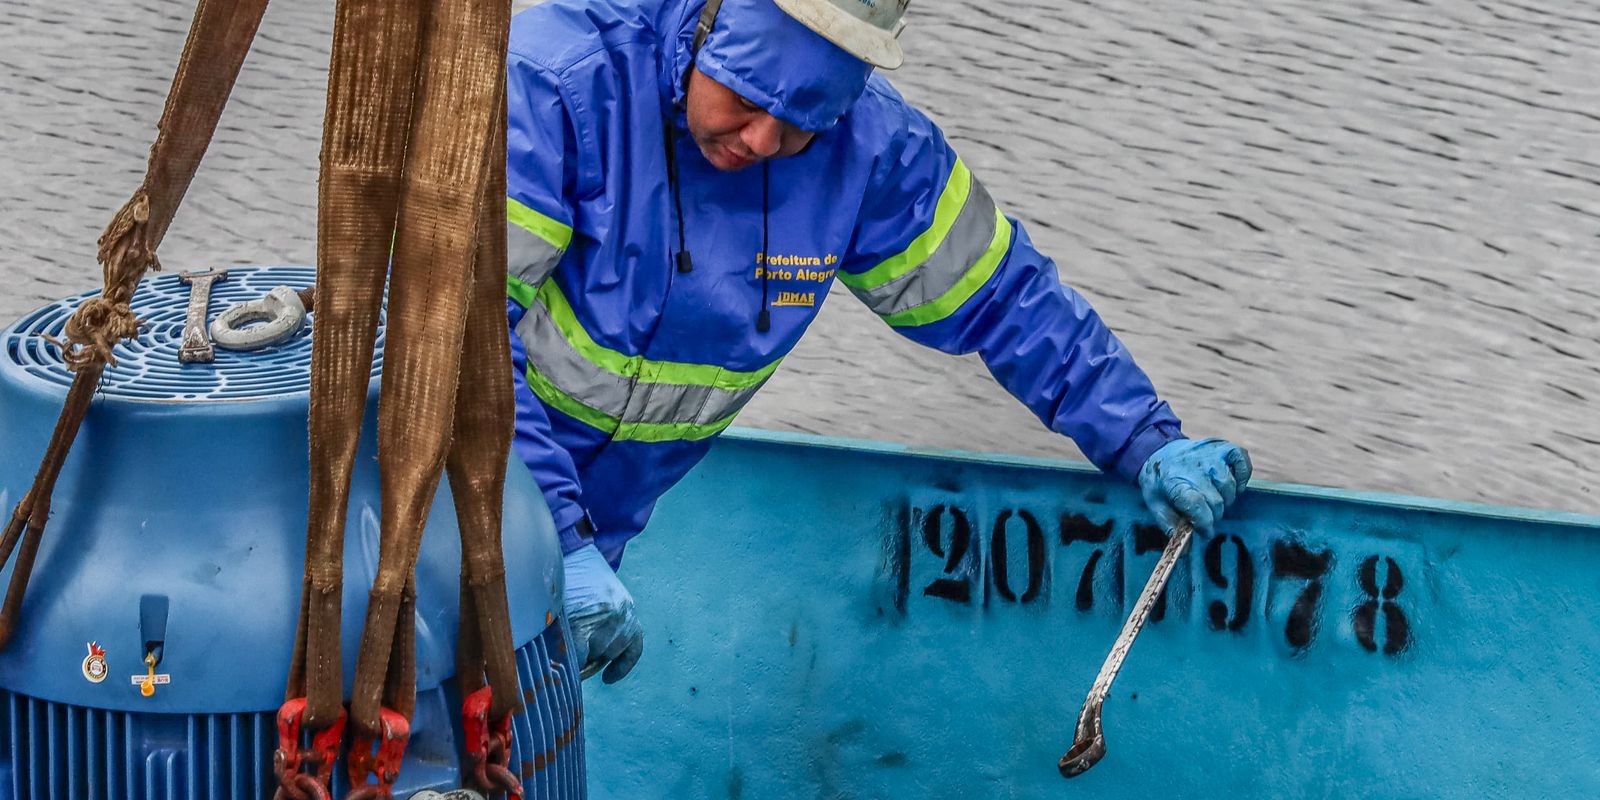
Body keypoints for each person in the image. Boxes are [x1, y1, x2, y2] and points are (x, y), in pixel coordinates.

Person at [504, 0, 1253, 684]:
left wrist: (1145, 439)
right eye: (744, 97)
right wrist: (553, 539)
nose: (762, 140)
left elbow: (1006, 299)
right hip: (438, 502)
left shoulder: (869, 151)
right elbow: (452, 344)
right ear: (707, 23)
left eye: (801, 121)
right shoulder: (557, 83)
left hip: (582, 552)